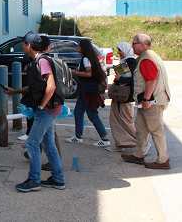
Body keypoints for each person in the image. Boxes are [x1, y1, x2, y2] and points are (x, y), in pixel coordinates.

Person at [6, 32, 65, 193]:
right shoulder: (38, 61)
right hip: (50, 108)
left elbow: (51, 86)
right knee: (48, 143)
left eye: (24, 43)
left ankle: (34, 180)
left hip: (46, 109)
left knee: (32, 143)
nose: (23, 46)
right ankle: (58, 179)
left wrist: (41, 106)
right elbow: (36, 86)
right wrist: (16, 91)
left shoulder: (42, 61)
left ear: (29, 46)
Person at [121, 33, 171, 169]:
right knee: (141, 128)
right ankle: (139, 154)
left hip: (152, 102)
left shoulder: (146, 58)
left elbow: (151, 79)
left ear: (143, 45)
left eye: (134, 43)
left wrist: (146, 99)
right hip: (149, 101)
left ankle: (163, 160)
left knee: (156, 130)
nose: (132, 45)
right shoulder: (149, 55)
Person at [66, 39, 110, 147]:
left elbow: (89, 74)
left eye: (79, 46)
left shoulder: (86, 59)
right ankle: (78, 136)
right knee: (82, 112)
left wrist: (74, 72)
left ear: (83, 48)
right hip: (89, 90)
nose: (77, 48)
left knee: (89, 114)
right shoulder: (90, 58)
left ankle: (104, 139)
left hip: (88, 90)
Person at [109, 42, 137, 150]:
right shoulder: (125, 61)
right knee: (116, 120)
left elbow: (133, 79)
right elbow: (119, 76)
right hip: (119, 94)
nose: (119, 53)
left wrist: (119, 79)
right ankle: (122, 143)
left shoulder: (131, 61)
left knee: (126, 121)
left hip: (125, 96)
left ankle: (140, 142)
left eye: (120, 50)